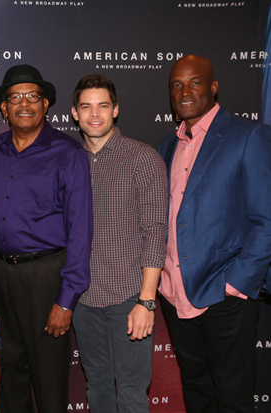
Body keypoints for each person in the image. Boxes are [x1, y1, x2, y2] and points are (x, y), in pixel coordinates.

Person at [157, 55, 271, 412]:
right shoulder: (166, 146)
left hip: (225, 296)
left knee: (233, 396)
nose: (185, 91)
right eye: (177, 85)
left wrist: (236, 284)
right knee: (196, 389)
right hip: (176, 294)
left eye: (195, 82)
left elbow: (267, 218)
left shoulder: (248, 135)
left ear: (214, 87)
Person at [0, 64, 93, 413]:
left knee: (49, 380)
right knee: (11, 375)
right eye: (15, 97)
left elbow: (80, 228)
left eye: (33, 96)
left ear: (46, 105)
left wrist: (66, 299)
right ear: (4, 107)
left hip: (46, 277)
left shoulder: (68, 153)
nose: (24, 104)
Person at [70, 74, 168, 413]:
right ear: (74, 113)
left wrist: (147, 300)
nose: (94, 114)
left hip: (129, 297)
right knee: (97, 388)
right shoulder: (69, 160)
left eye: (103, 105)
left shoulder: (142, 159)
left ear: (115, 111)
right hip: (83, 300)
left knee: (131, 393)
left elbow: (156, 231)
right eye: (86, 106)